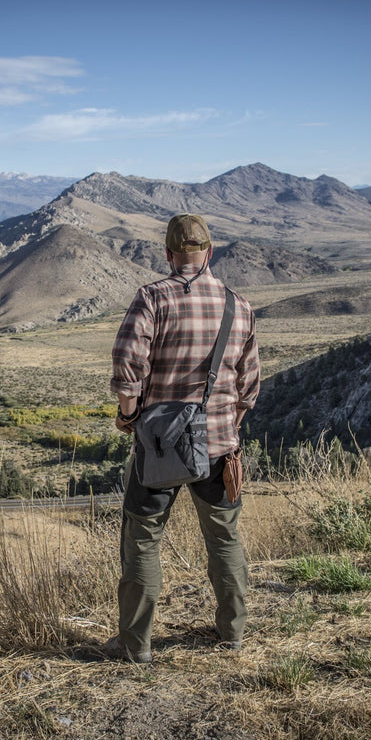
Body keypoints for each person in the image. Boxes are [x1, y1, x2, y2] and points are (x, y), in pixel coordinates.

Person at [105, 213, 260, 663]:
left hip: (160, 447)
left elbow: (127, 363)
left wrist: (129, 415)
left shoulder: (153, 298)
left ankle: (136, 646)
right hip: (219, 447)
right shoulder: (238, 305)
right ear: (210, 252)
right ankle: (232, 634)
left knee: (142, 539)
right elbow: (249, 387)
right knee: (224, 538)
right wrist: (228, 427)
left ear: (168, 254)